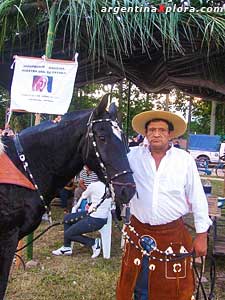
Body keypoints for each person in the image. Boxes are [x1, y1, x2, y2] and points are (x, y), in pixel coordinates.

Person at [116, 110, 212, 300]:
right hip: (139, 233)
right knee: (138, 286)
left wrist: (202, 235)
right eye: (151, 130)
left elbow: (198, 197)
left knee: (174, 290)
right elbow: (103, 160)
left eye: (161, 130)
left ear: (170, 134)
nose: (156, 134)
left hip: (172, 234)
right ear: (146, 133)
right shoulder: (131, 156)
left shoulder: (184, 161)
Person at [52, 180, 112, 258]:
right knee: (67, 218)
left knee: (68, 234)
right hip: (94, 215)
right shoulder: (110, 186)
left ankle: (94, 243)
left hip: (95, 219)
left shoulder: (93, 185)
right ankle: (67, 248)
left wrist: (79, 206)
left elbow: (84, 196)